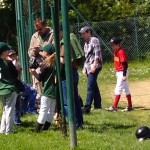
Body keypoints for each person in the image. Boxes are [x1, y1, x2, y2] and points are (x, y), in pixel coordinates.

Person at [59, 25, 84, 128]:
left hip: (67, 75)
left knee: (67, 102)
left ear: (60, 31)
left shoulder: (65, 41)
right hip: (74, 72)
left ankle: (72, 124)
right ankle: (79, 123)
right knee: (75, 100)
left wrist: (57, 71)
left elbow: (63, 60)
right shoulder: (72, 37)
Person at [30, 44, 56, 132]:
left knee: (43, 110)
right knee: (51, 110)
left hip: (47, 90)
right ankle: (46, 128)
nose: (41, 52)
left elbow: (40, 78)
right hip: (55, 90)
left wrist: (33, 72)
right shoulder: (56, 63)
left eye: (43, 51)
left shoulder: (46, 63)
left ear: (47, 53)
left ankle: (36, 130)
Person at [105, 37, 133, 112]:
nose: (112, 46)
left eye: (113, 45)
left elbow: (125, 64)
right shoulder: (116, 52)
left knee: (118, 89)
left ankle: (114, 107)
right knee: (126, 89)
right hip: (120, 72)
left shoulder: (121, 52)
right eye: (111, 45)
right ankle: (130, 106)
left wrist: (124, 75)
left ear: (118, 45)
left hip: (123, 72)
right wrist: (117, 72)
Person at [79, 26, 103, 114]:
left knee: (90, 86)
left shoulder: (94, 40)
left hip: (95, 66)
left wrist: (94, 65)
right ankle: (97, 104)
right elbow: (86, 57)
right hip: (89, 66)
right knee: (93, 85)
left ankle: (87, 107)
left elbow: (97, 54)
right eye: (82, 34)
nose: (82, 35)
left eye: (84, 33)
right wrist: (84, 68)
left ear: (89, 32)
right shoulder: (85, 43)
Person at [28, 17, 54, 96]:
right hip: (38, 66)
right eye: (37, 30)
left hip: (49, 65)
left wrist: (41, 50)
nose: (38, 32)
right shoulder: (34, 36)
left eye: (40, 29)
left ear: (45, 26)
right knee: (38, 87)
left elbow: (54, 50)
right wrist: (34, 51)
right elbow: (29, 52)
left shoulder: (52, 34)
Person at [0, 42, 18, 135]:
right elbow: (15, 75)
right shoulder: (7, 62)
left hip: (1, 89)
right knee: (10, 111)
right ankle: (9, 132)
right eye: (7, 50)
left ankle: (2, 130)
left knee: (5, 111)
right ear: (3, 52)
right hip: (10, 88)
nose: (8, 52)